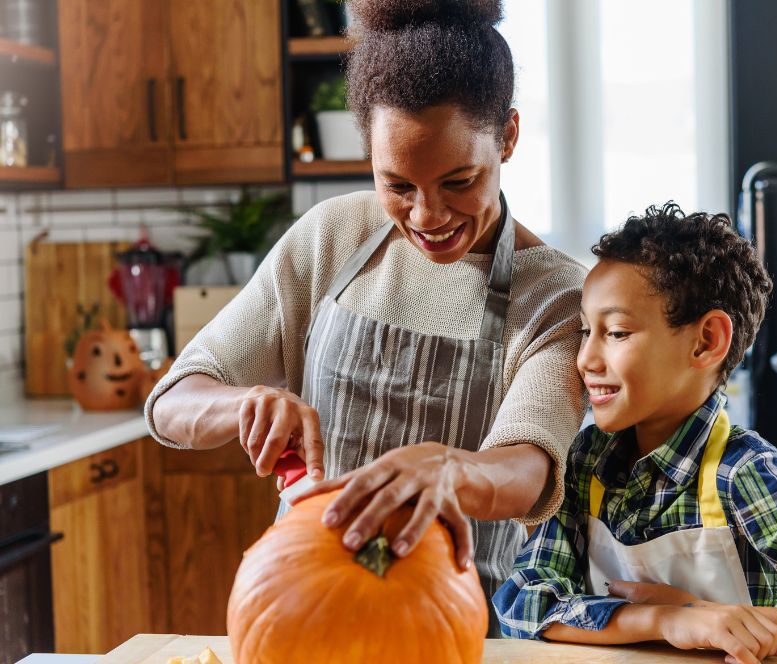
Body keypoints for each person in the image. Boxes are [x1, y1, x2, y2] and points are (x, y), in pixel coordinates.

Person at [145, 0, 587, 634]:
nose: (427, 216)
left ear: (508, 136)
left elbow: (530, 468)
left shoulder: (557, 296)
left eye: (459, 181)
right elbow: (172, 400)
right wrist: (243, 405)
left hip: (464, 623)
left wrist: (451, 466)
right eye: (399, 185)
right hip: (302, 603)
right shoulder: (333, 237)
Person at [493, 203, 777, 662]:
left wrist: (723, 618)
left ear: (706, 341)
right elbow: (523, 603)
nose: (586, 359)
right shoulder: (589, 461)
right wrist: (670, 619)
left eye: (616, 333)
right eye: (585, 331)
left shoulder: (742, 471)